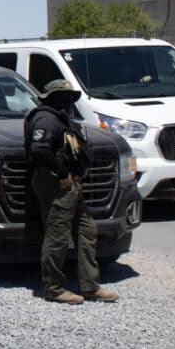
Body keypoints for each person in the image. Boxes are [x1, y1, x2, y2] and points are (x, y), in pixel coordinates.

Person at [25, 79, 119, 305]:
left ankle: (90, 286)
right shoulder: (45, 119)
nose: (69, 102)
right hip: (56, 183)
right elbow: (40, 150)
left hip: (71, 184)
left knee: (86, 230)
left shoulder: (60, 118)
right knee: (57, 234)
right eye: (65, 97)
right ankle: (53, 288)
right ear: (54, 98)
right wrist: (61, 172)